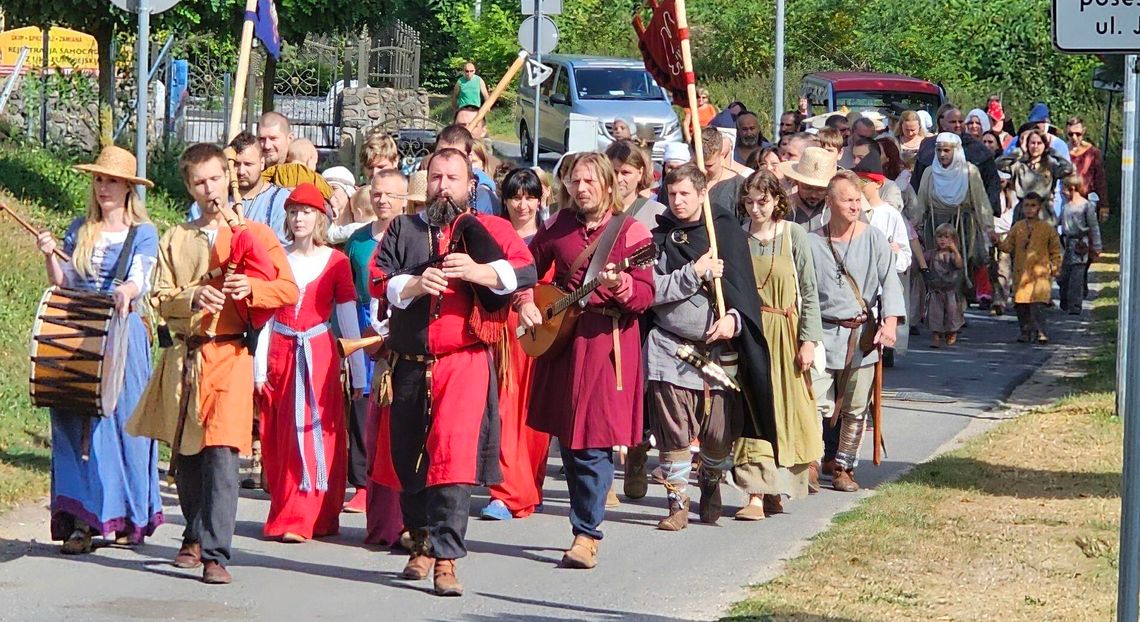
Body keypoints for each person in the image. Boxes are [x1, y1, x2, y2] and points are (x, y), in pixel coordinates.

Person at [129, 143, 299, 584]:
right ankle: (193, 532)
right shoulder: (175, 238)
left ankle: (215, 554)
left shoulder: (254, 234)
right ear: (189, 186)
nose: (210, 188)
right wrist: (192, 297)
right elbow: (159, 298)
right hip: (186, 358)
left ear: (229, 178)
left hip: (230, 354)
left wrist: (251, 290)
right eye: (200, 181)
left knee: (222, 454)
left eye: (215, 178)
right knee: (189, 458)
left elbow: (287, 290)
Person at [369, 149, 536, 596]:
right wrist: (416, 283)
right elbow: (378, 280)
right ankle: (420, 541)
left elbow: (524, 271)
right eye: (436, 177)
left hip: (464, 361)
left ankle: (446, 558)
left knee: (453, 459)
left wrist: (481, 271)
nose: (444, 186)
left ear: (469, 184)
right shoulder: (404, 229)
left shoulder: (494, 228)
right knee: (409, 457)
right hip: (409, 361)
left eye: (453, 178)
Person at [520, 153, 654, 569]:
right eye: (575, 181)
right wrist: (525, 299)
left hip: (606, 345)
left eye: (590, 182)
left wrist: (623, 286)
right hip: (562, 342)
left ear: (609, 185)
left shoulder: (632, 233)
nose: (582, 189)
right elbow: (526, 264)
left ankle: (586, 533)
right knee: (569, 439)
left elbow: (646, 296)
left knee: (593, 441)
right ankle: (584, 523)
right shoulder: (557, 226)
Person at [35, 146, 163, 554]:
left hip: (124, 335)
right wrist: (49, 257)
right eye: (99, 180)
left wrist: (126, 291)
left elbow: (141, 276)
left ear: (128, 187)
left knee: (122, 427)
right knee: (73, 422)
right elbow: (66, 281)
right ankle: (80, 521)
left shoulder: (142, 233)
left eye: (111, 181)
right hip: (80, 330)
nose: (103, 187)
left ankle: (126, 515)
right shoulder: (80, 229)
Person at [644, 163, 775, 530]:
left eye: (685, 194)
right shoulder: (660, 238)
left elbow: (744, 292)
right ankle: (677, 503)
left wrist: (734, 318)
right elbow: (651, 292)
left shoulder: (725, 234)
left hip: (719, 352)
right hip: (669, 346)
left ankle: (711, 482)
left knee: (718, 433)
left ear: (702, 194)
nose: (678, 201)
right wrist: (694, 274)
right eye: (672, 195)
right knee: (672, 429)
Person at [254, 183, 366, 543]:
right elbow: (265, 317)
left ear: (319, 217)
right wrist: (258, 368)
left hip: (318, 355)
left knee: (316, 429)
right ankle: (287, 508)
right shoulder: (275, 258)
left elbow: (348, 320)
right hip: (281, 353)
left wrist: (360, 371)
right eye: (292, 211)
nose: (298, 217)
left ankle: (308, 514)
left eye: (306, 211)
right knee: (282, 434)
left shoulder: (336, 262)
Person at [731, 170, 822, 519]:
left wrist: (809, 340)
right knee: (754, 409)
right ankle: (755, 493)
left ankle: (776, 487)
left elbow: (809, 291)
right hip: (752, 333)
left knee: (786, 412)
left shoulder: (793, 235)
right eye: (750, 201)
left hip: (786, 329)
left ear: (777, 201)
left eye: (763, 201)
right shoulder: (737, 237)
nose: (756, 209)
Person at [811, 171, 905, 492]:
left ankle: (843, 468)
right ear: (830, 202)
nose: (853, 206)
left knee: (854, 407)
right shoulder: (811, 242)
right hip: (820, 334)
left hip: (860, 336)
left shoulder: (874, 238)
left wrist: (890, 322)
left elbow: (889, 282)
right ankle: (810, 462)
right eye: (846, 200)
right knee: (813, 400)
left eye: (857, 200)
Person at [480, 169, 551, 521]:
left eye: (529, 196)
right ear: (504, 200)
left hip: (542, 333)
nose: (522, 205)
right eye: (515, 197)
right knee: (505, 410)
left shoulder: (550, 238)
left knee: (535, 417)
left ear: (540, 199)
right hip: (503, 332)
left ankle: (529, 485)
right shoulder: (494, 237)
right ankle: (507, 493)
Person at [342, 171, 406, 534]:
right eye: (377, 194)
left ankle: (398, 507)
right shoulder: (358, 240)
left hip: (400, 327)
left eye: (390, 195)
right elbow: (351, 292)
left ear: (403, 201)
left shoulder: (411, 235)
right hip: (366, 324)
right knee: (364, 408)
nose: (382, 200)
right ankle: (365, 488)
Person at [915, 133, 994, 291]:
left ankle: (957, 308)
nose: (942, 154)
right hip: (935, 226)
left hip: (962, 227)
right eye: (939, 150)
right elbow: (920, 203)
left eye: (946, 150)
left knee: (959, 268)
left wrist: (988, 227)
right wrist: (915, 226)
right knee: (938, 268)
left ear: (956, 151)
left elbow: (981, 201)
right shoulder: (930, 173)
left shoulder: (970, 172)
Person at [188, 131, 290, 244]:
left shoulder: (281, 200)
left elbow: (282, 250)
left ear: (262, 163)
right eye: (236, 164)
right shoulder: (206, 202)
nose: (241, 171)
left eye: (248, 164)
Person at [990, 193, 1061, 344]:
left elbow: (1055, 250)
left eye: (1033, 205)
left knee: (1038, 305)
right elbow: (1008, 246)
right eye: (1026, 206)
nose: (1029, 209)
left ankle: (1041, 331)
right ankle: (1025, 331)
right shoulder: (1018, 227)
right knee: (1021, 305)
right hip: (1021, 273)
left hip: (1040, 274)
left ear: (1039, 208)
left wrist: (1055, 266)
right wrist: (997, 241)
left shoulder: (1046, 228)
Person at [911, 104, 1000, 212]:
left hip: (966, 214)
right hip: (934, 213)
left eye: (961, 122)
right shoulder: (928, 146)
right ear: (943, 124)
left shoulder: (978, 149)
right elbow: (917, 183)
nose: (958, 125)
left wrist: (990, 212)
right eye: (953, 122)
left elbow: (991, 183)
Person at [996, 128, 1074, 226]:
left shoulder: (1050, 165)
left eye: (1039, 143)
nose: (1035, 146)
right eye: (1032, 143)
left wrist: (1052, 151)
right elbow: (999, 164)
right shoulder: (1019, 165)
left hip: (1044, 214)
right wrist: (1020, 151)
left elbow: (1068, 169)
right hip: (1023, 214)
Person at [1057, 175, 1103, 315]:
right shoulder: (1066, 206)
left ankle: (1075, 305)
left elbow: (1094, 227)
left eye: (1063, 189)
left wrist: (1096, 246)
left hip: (1079, 244)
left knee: (1077, 276)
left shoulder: (1086, 206)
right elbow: (1058, 222)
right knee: (1063, 275)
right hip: (1065, 243)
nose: (1061, 192)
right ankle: (1065, 299)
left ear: (1072, 189)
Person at [434, 124, 500, 216]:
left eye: (455, 155)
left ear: (469, 159)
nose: (446, 160)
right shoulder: (427, 185)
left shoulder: (483, 198)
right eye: (441, 153)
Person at [606, 139, 667, 230]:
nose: (618, 179)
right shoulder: (595, 211)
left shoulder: (657, 212)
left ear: (640, 173)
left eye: (625, 173)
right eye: (614, 172)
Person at [924, 223, 966, 347]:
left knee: (952, 313)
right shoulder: (932, 254)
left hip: (950, 290)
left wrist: (955, 250)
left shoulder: (952, 255)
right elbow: (922, 259)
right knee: (935, 313)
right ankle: (936, 336)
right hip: (935, 289)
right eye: (940, 237)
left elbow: (959, 265)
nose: (943, 240)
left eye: (947, 237)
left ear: (953, 239)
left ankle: (952, 332)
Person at [779, 146, 837, 232]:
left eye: (820, 190)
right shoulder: (782, 208)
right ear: (797, 182)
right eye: (807, 188)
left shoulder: (839, 208)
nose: (813, 195)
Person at [1066, 116, 1111, 223]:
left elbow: (1100, 180)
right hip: (1066, 202)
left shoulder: (1093, 153)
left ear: (1084, 131)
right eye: (1071, 134)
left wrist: (1104, 205)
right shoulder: (1062, 151)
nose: (1074, 138)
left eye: (1078, 134)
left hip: (1087, 202)